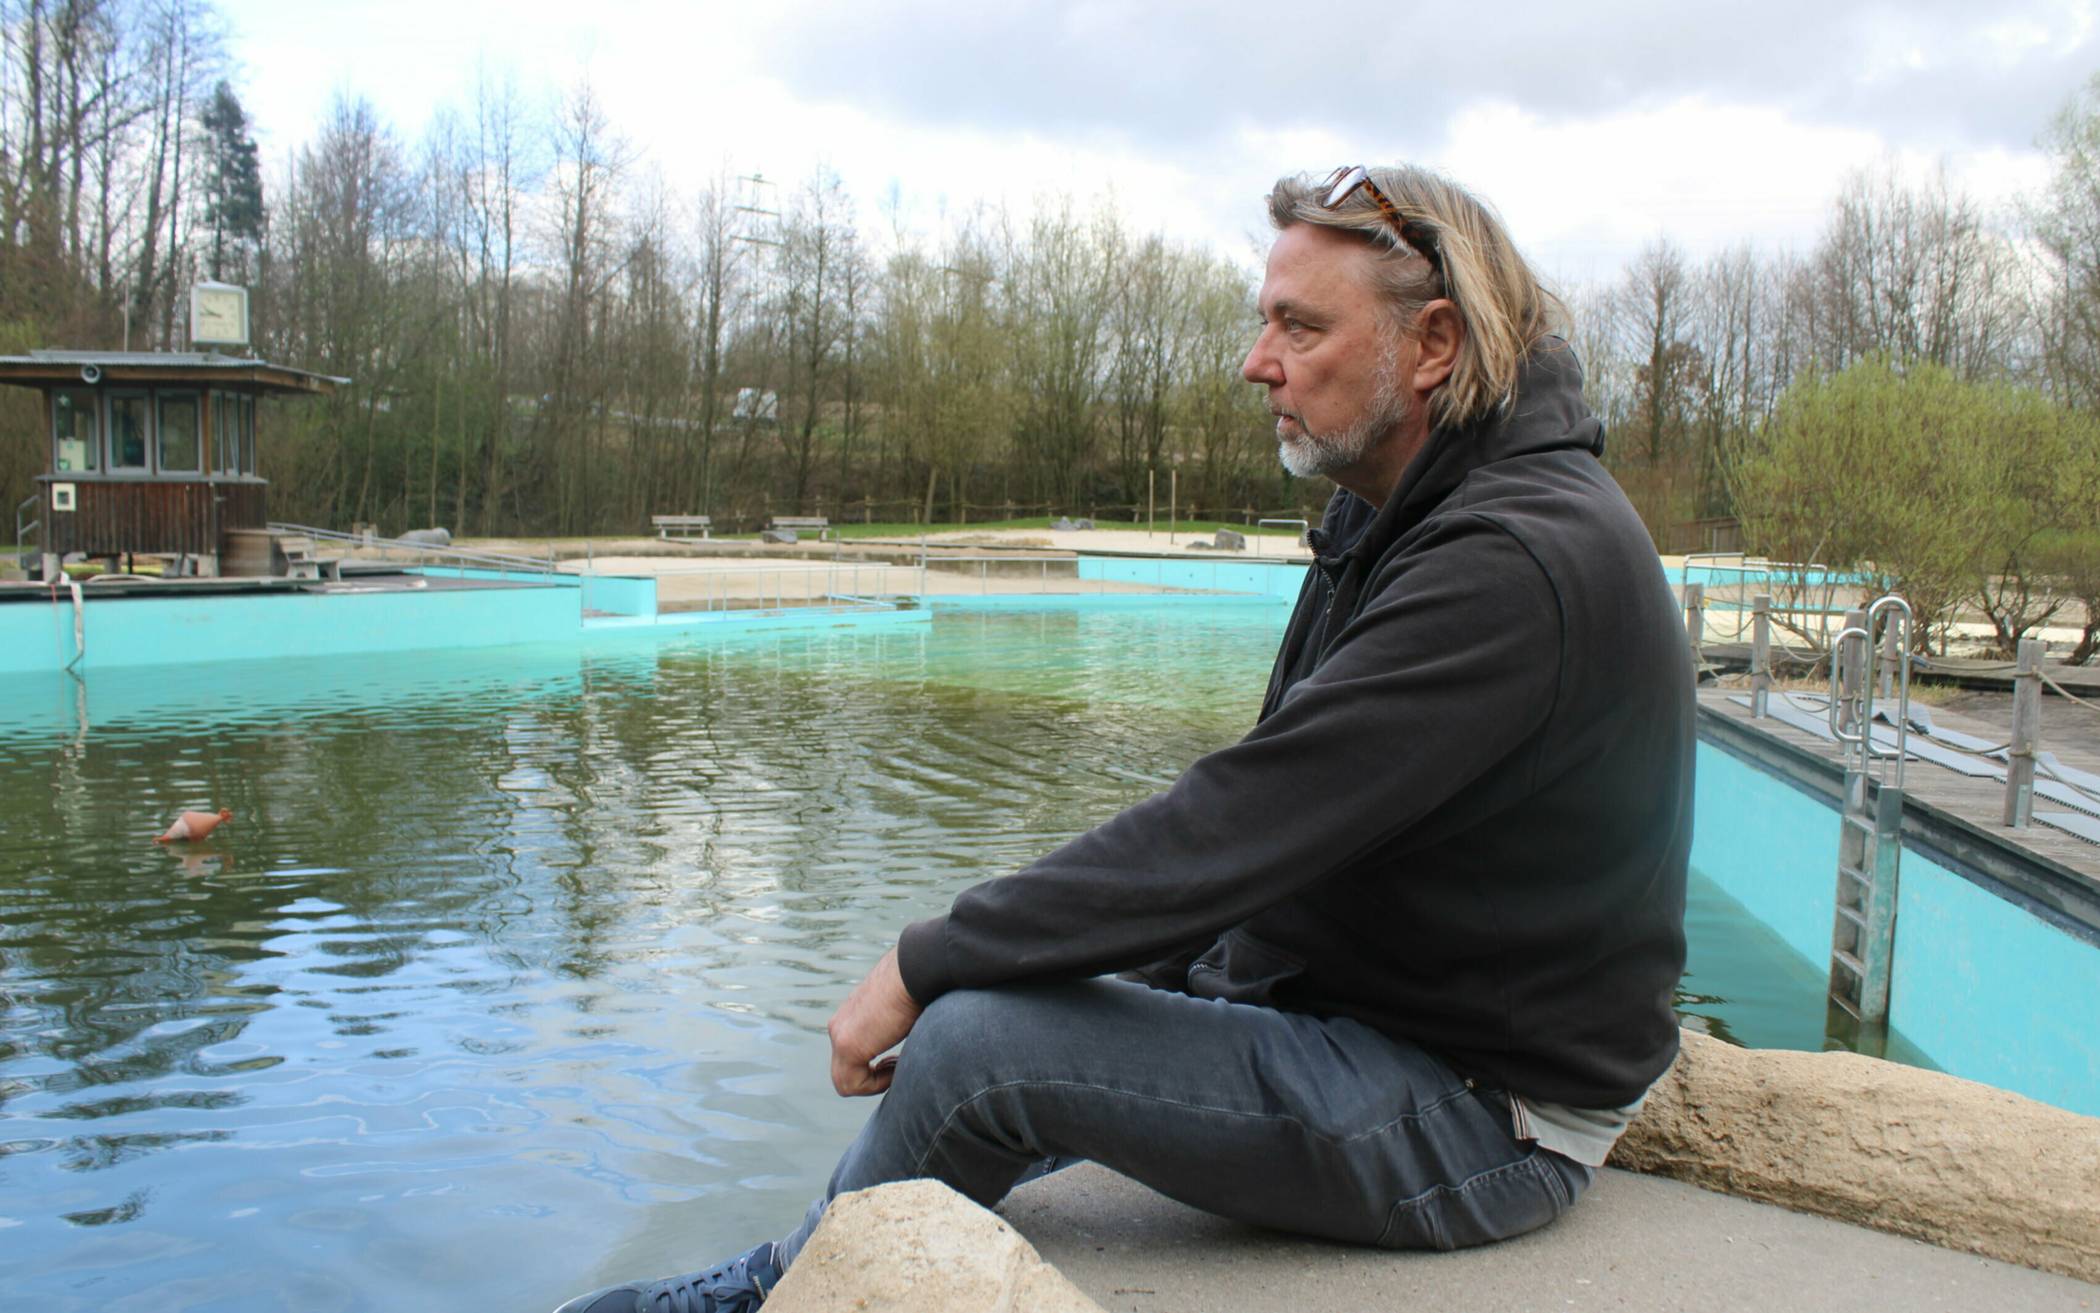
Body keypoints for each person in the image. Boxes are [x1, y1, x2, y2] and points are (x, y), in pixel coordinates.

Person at [551, 164, 1693, 1313]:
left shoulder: (1512, 564)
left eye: (1299, 326)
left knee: (974, 1042)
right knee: (1019, 999)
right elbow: (1275, 846)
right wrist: (1051, 963)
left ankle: (769, 1298)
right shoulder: (1394, 514)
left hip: (1481, 1113)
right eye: (1265, 320)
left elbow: (1240, 822)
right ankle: (809, 1261)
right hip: (1374, 1019)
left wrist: (928, 956)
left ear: (1433, 341)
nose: (1258, 359)